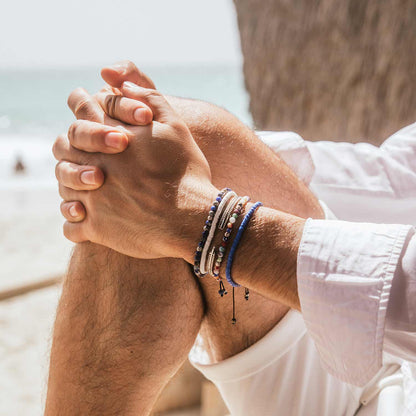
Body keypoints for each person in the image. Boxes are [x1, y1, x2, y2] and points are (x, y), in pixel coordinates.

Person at [46, 61, 415, 415]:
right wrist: (184, 148)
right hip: (378, 360)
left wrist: (212, 222)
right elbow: (396, 185)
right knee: (141, 153)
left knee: (153, 179)